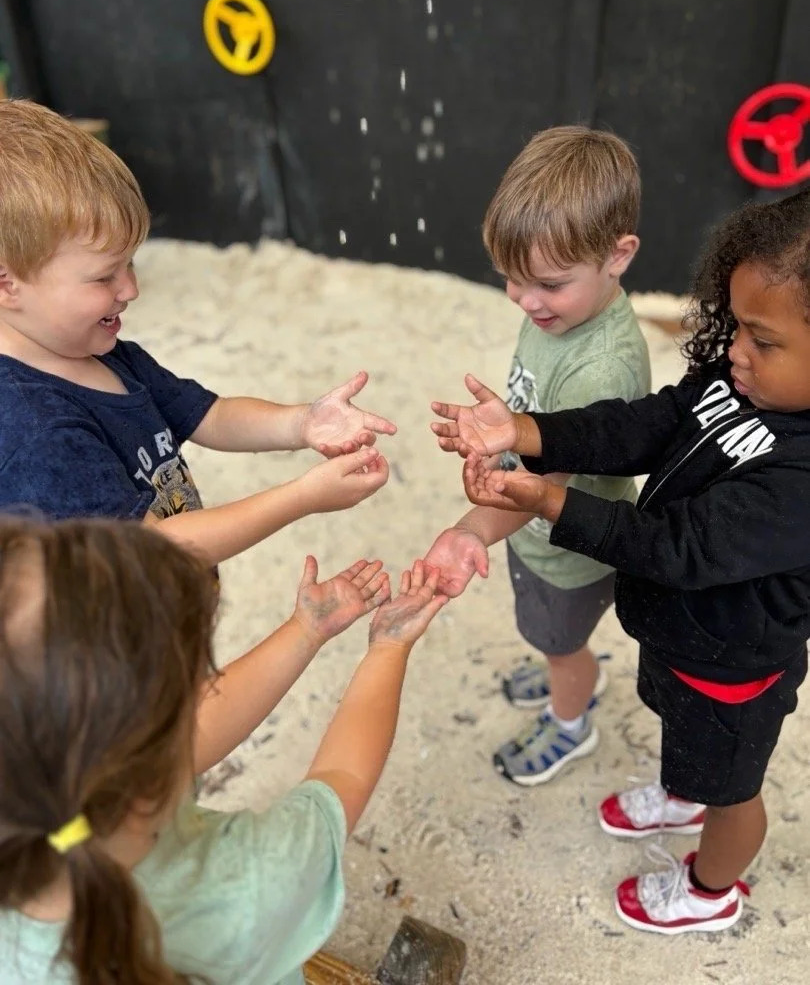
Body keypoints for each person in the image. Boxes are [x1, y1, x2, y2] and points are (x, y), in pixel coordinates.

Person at [430, 186, 810, 934]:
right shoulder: (736, 382)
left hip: (731, 671)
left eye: (762, 340)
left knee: (732, 789)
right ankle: (682, 791)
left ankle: (710, 891)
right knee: (679, 732)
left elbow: (679, 548)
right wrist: (528, 430)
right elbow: (648, 423)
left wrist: (547, 503)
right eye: (734, 326)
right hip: (678, 638)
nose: (734, 350)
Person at [0, 515, 447, 983]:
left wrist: (307, 629)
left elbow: (189, 737)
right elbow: (342, 778)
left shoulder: (50, 790)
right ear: (145, 780)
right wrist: (389, 648)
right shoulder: (249, 884)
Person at [0, 98, 396, 566]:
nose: (131, 288)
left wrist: (303, 422)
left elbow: (210, 415)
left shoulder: (105, 354)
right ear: (8, 284)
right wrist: (302, 496)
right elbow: (154, 552)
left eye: (131, 263)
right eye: (104, 276)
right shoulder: (34, 430)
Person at [424, 126, 650, 784]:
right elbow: (535, 428)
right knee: (553, 638)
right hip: (540, 533)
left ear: (619, 254)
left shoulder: (600, 367)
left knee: (562, 643)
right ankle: (564, 668)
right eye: (512, 280)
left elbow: (540, 485)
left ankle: (570, 722)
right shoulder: (565, 309)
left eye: (548, 284)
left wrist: (472, 529)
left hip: (567, 551)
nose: (526, 302)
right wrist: (504, 429)